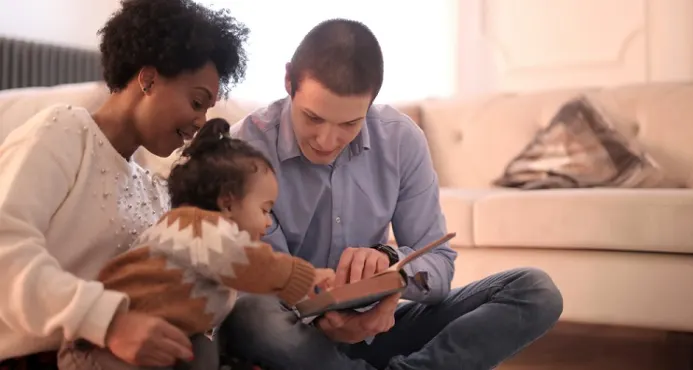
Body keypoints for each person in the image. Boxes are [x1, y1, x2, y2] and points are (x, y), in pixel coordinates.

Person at [224, 18, 564, 370]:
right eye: (312, 117)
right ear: (288, 80)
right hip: (292, 339)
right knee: (252, 316)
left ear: (371, 103)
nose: (326, 141)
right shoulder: (242, 148)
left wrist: (393, 271)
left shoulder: (401, 140)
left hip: (377, 332)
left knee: (534, 291)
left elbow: (438, 268)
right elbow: (248, 283)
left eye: (349, 125)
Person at [0, 0, 251, 368]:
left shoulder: (154, 189)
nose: (201, 121)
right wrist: (112, 321)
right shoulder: (65, 132)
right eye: (197, 101)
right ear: (148, 79)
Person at [56, 118, 336, 370]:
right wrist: (303, 277)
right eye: (265, 210)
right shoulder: (199, 230)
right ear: (227, 202)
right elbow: (250, 263)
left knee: (202, 347)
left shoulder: (184, 232)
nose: (267, 222)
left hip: (146, 341)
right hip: (98, 351)